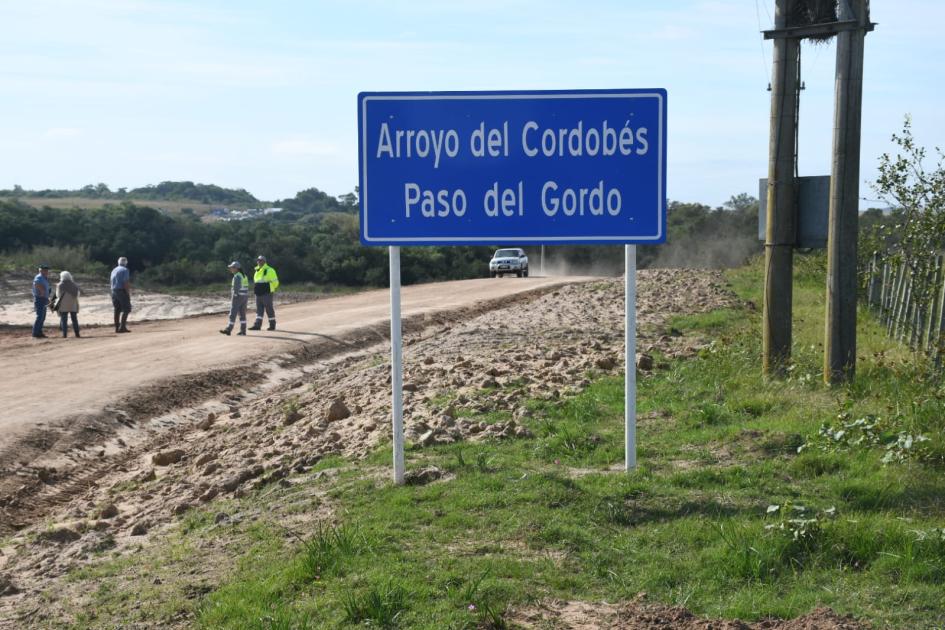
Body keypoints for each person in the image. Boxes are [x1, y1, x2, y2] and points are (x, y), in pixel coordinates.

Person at [249, 255, 279, 331]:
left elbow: (275, 282)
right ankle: (257, 325)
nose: (259, 261)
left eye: (260, 260)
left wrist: (270, 289)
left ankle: (272, 325)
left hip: (267, 293)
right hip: (258, 293)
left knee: (269, 309)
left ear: (264, 261)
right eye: (258, 260)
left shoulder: (270, 270)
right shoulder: (257, 270)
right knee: (259, 310)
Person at [220, 261, 249, 336]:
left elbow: (237, 287)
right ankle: (243, 331)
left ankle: (228, 329)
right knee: (242, 314)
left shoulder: (237, 276)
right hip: (244, 296)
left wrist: (235, 294)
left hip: (238, 296)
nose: (230, 269)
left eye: (232, 268)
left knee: (233, 313)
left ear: (236, 268)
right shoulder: (244, 275)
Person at [55, 270, 81, 338]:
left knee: (64, 320)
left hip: (64, 304)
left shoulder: (59, 285)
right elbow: (78, 295)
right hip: (73, 304)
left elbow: (58, 295)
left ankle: (64, 335)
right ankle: (77, 334)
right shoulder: (74, 285)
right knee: (74, 319)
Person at [110, 256, 132, 333]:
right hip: (121, 291)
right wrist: (127, 292)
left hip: (113, 291)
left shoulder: (114, 270)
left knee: (117, 309)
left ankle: (116, 327)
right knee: (127, 308)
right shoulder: (125, 270)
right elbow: (125, 282)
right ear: (126, 263)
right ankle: (122, 327)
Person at [31, 264, 51, 338]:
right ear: (41, 270)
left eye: (47, 270)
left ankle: (39, 332)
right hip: (40, 299)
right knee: (40, 316)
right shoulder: (39, 277)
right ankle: (35, 333)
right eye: (45, 270)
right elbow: (36, 284)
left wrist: (47, 298)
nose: (47, 271)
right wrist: (42, 292)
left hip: (43, 299)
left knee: (43, 317)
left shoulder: (44, 277)